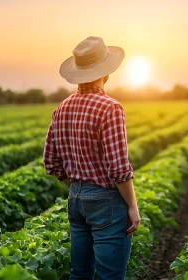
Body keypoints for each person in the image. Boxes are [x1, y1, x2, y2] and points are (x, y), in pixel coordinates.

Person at [43, 36, 140, 280]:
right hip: (106, 200)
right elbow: (118, 168)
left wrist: (80, 188)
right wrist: (132, 205)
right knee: (110, 276)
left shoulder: (61, 108)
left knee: (80, 273)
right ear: (106, 72)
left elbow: (51, 163)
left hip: (75, 198)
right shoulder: (110, 108)